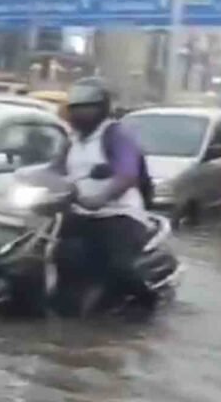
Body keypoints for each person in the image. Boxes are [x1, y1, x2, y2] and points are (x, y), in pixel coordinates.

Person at [51, 78, 156, 313]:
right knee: (56, 252)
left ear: (101, 109)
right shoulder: (72, 140)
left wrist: (101, 198)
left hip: (119, 214)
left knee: (119, 266)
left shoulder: (116, 135)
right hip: (80, 211)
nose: (79, 114)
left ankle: (147, 300)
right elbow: (54, 170)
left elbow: (127, 174)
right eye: (75, 108)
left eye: (86, 108)